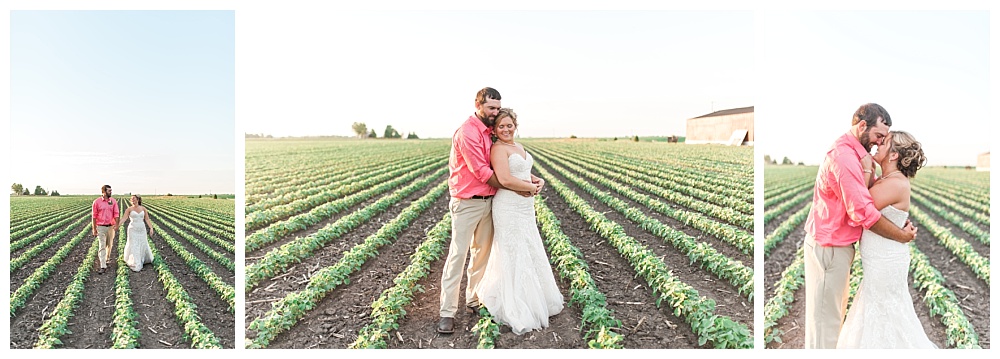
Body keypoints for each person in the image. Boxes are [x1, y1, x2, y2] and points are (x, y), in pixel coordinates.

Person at [802, 103, 918, 349]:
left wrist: (870, 170)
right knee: (826, 322)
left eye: (883, 140)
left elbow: (875, 197)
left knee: (834, 314)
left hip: (841, 246)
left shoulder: (861, 158)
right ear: (862, 126)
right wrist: (901, 235)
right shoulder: (845, 157)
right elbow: (863, 211)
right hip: (830, 245)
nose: (878, 142)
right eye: (878, 135)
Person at [438, 87, 543, 334]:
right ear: (478, 105)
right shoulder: (468, 132)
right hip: (466, 202)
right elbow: (483, 173)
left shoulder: (490, 133)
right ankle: (447, 312)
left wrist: (527, 180)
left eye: (498, 108)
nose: (495, 113)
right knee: (457, 256)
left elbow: (506, 167)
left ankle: (473, 300)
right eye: (491, 108)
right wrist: (519, 188)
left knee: (481, 255)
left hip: (490, 202)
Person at [836, 131, 935, 349]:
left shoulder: (895, 183)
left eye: (885, 143)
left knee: (884, 312)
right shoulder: (890, 180)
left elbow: (859, 207)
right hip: (880, 258)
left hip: (886, 260)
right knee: (877, 308)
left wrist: (866, 167)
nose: (878, 144)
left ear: (893, 156)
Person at [474, 108, 563, 334]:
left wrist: (537, 180)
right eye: (501, 126)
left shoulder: (519, 147)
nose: (506, 129)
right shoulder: (498, 149)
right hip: (508, 206)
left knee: (529, 243)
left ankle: (536, 296)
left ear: (516, 126)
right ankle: (515, 301)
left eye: (509, 125)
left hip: (525, 206)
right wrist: (530, 188)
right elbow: (504, 179)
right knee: (512, 249)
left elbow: (522, 172)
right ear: (495, 130)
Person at [120, 194, 155, 272]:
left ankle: (142, 258)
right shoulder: (129, 209)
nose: (132, 200)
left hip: (141, 228)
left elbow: (147, 219)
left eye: (134, 198)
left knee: (143, 243)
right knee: (134, 244)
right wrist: (117, 225)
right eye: (131, 199)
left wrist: (151, 228)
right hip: (132, 229)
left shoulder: (143, 208)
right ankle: (136, 262)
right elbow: (124, 218)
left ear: (138, 199)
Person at [92, 184, 120, 275]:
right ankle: (103, 265)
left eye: (111, 190)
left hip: (111, 227)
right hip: (101, 227)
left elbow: (116, 214)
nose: (111, 192)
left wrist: (116, 224)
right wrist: (94, 229)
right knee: (102, 245)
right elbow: (94, 216)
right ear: (103, 192)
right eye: (109, 191)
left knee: (110, 244)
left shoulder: (113, 201)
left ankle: (106, 259)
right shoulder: (97, 202)